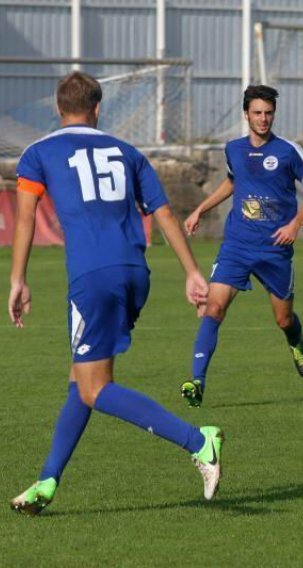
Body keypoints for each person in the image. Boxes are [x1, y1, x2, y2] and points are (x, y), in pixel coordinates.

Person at [8, 71, 223, 516]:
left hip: (93, 275)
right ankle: (47, 481)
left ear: (58, 107)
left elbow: (26, 219)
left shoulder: (39, 152)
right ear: (98, 108)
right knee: (80, 379)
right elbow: (162, 212)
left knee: (96, 387)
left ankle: (199, 441)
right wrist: (191, 272)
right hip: (134, 271)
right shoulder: (127, 152)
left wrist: (18, 279)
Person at [181, 85, 303, 407]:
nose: (263, 119)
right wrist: (201, 208)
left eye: (268, 113)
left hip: (275, 249)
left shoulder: (288, 151)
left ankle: (296, 342)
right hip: (238, 245)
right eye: (257, 113)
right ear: (246, 114)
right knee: (213, 308)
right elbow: (233, 181)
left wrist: (295, 224)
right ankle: (196, 381)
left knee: (284, 320)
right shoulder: (234, 149)